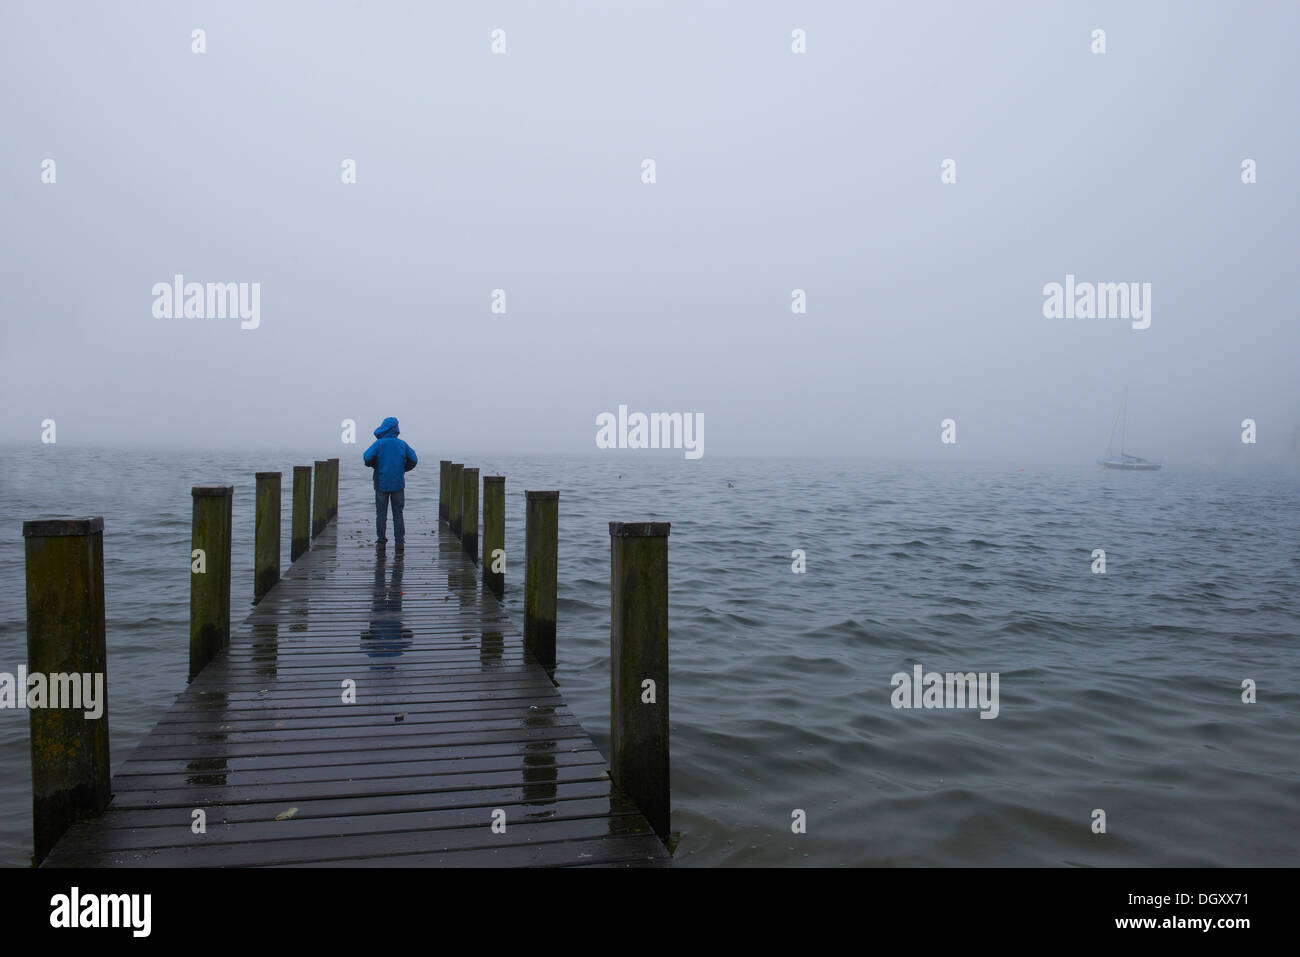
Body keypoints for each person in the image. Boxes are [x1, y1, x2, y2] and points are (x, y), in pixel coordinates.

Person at [362, 416, 417, 546]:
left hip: (381, 483)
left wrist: (374, 465)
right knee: (398, 513)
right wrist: (403, 469)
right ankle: (399, 540)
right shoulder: (402, 444)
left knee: (381, 513)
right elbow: (414, 460)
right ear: (395, 429)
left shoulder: (379, 444)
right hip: (398, 483)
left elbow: (366, 458)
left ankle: (381, 539)